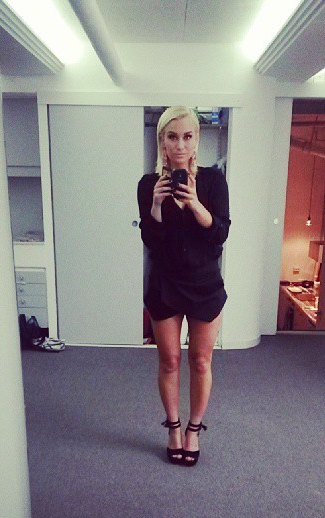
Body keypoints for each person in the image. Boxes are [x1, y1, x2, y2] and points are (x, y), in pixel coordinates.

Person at [137, 106, 231, 467]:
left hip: (204, 284)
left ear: (197, 140)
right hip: (165, 284)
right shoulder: (148, 184)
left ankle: (194, 430)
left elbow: (219, 233)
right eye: (172, 137)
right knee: (170, 359)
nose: (180, 145)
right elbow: (151, 241)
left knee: (201, 360)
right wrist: (156, 205)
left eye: (187, 136)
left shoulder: (213, 181)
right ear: (162, 141)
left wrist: (194, 203)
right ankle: (173, 428)